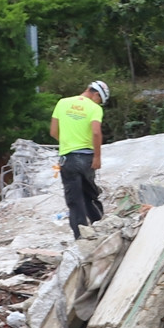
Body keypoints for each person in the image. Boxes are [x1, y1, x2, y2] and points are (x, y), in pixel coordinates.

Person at [52, 80, 109, 235]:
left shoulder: (62, 103)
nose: (99, 103)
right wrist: (97, 157)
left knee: (74, 201)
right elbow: (96, 132)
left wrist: (67, 143)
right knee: (90, 196)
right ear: (96, 94)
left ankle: (81, 238)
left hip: (68, 159)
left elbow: (53, 131)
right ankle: (102, 230)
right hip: (86, 158)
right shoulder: (94, 108)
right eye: (100, 100)